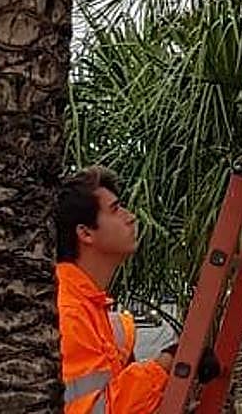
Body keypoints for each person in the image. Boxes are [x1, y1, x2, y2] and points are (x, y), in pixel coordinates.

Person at [56, 166, 170, 414]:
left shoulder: (88, 306)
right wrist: (166, 365)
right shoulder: (69, 313)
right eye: (116, 209)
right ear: (85, 233)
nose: (130, 217)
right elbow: (99, 410)